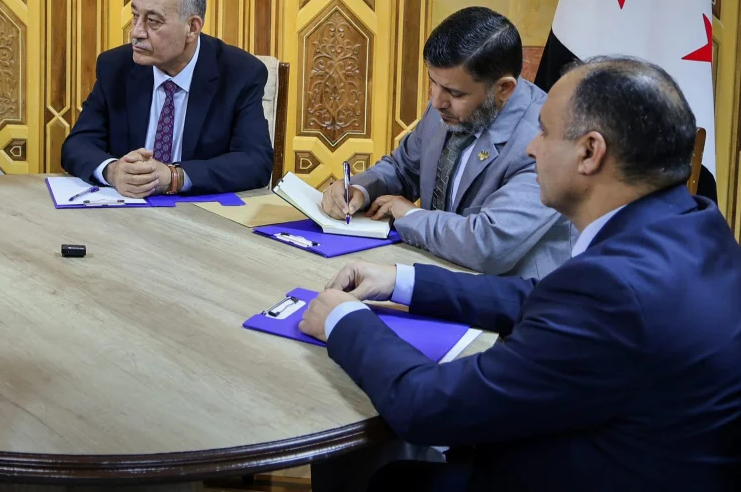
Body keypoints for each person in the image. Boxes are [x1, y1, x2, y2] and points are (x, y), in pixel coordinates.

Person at [302, 57, 741, 492]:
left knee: (389, 480)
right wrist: (401, 281)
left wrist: (343, 320)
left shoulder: (613, 290)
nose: (532, 148)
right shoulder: (697, 225)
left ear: (590, 152)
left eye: (545, 132)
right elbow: (539, 297)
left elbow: (426, 406)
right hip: (638, 453)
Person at [320, 7, 572, 277]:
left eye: (455, 93)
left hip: (513, 295)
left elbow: (486, 245)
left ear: (503, 88)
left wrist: (409, 215)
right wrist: (360, 189)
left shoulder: (549, 140)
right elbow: (403, 168)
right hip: (439, 276)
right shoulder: (444, 107)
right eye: (433, 83)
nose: (437, 101)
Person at [61, 0, 273, 196]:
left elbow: (256, 162)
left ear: (192, 28)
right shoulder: (115, 67)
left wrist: (174, 177)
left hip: (200, 211)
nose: (136, 32)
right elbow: (77, 145)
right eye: (135, 16)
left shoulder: (239, 73)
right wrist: (113, 172)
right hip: (126, 209)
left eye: (153, 21)